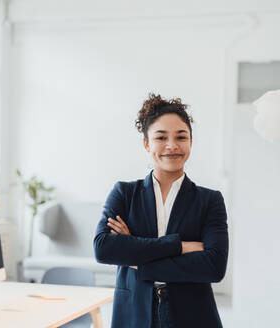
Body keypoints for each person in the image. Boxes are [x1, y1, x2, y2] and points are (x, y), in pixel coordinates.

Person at [94, 94, 229, 328]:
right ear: (147, 143)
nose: (172, 145)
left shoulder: (210, 200)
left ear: (191, 142)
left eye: (181, 137)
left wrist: (136, 256)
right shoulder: (124, 194)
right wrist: (180, 246)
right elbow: (104, 248)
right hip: (134, 312)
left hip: (192, 315)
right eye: (161, 137)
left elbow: (214, 266)